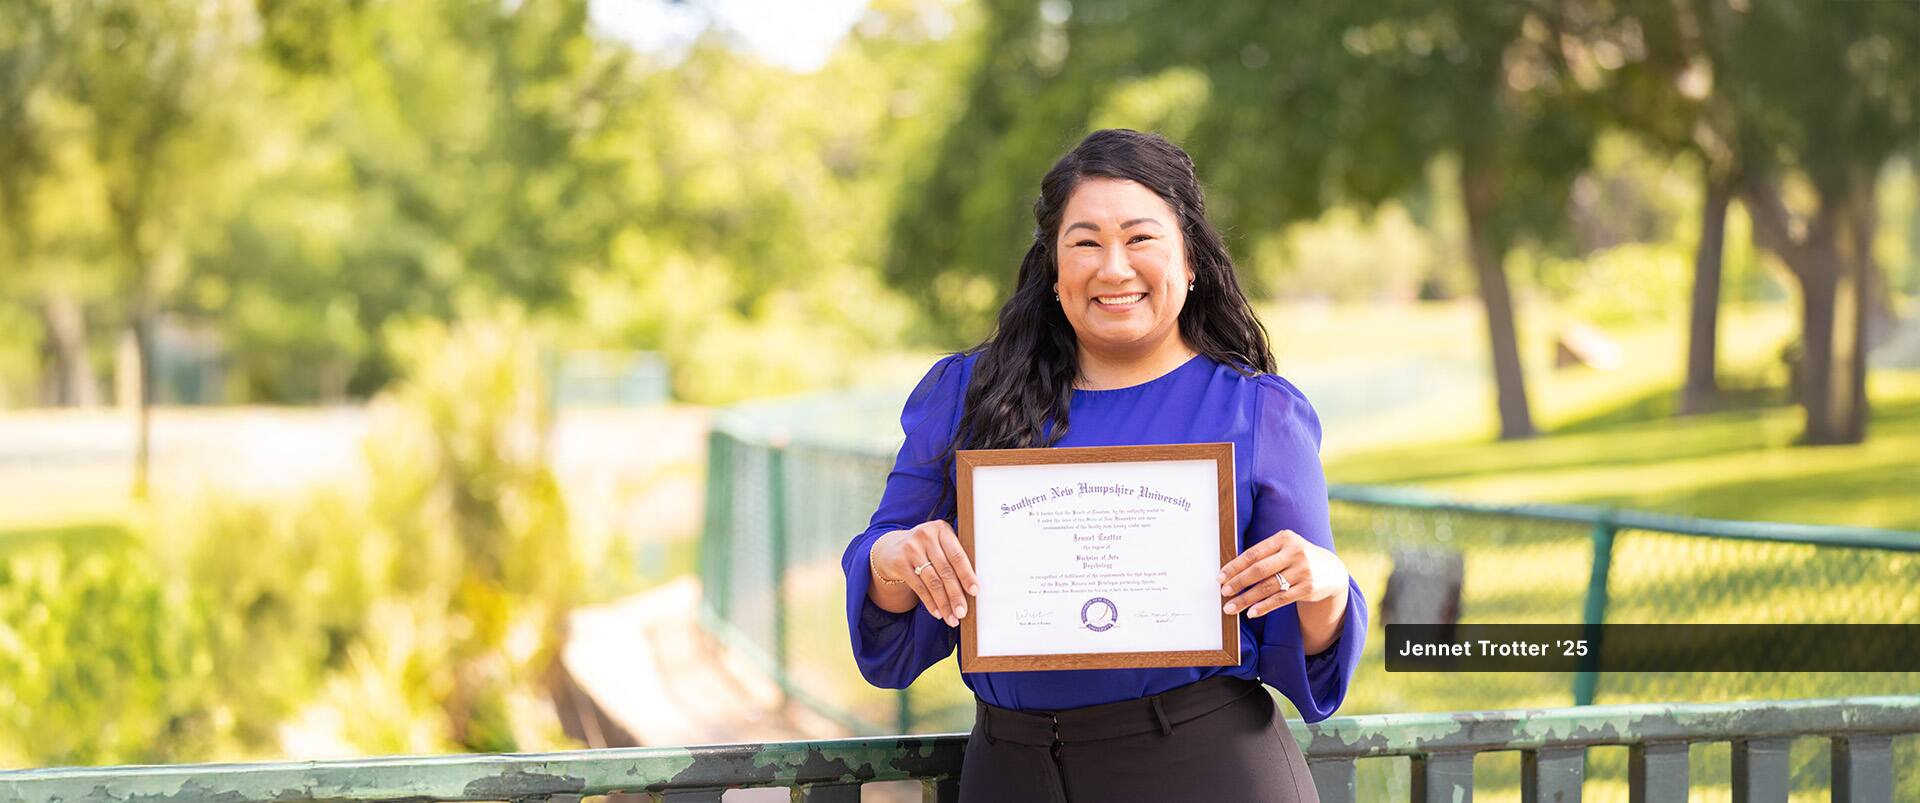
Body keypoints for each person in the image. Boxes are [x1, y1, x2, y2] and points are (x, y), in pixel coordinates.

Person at [840, 129, 1366, 802]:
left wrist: (1323, 585)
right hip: (1009, 773)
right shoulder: (964, 396)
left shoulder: (1259, 413)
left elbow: (1309, 664)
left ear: (1193, 259)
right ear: (1053, 269)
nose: (1114, 268)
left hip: (1205, 769)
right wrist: (895, 557)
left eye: (1141, 239)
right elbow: (886, 626)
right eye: (1085, 242)